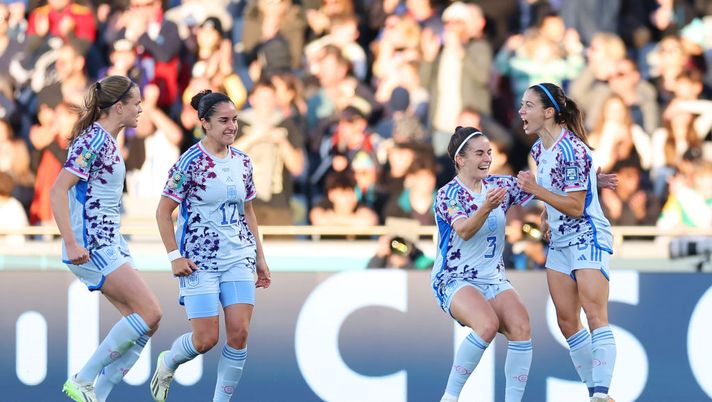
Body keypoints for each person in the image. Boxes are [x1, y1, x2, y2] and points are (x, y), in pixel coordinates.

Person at [153, 89, 271, 402]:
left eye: (234, 120)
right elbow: (163, 212)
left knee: (239, 334)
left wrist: (260, 257)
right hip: (199, 261)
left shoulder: (243, 162)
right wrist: (174, 257)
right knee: (206, 339)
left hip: (238, 258)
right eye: (224, 120)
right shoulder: (189, 162)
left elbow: (248, 211)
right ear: (205, 123)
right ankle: (168, 361)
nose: (232, 126)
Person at [50, 75, 162, 402]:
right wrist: (71, 242)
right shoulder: (93, 141)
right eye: (136, 103)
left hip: (110, 242)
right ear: (118, 107)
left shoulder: (108, 141)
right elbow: (58, 189)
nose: (141, 108)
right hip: (92, 245)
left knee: (144, 322)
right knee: (151, 313)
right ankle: (84, 380)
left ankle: (97, 394)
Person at [516, 82, 617, 402]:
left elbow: (575, 206)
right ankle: (596, 392)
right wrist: (546, 212)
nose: (521, 111)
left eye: (528, 105)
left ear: (549, 112)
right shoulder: (538, 149)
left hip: (587, 234)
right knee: (567, 320)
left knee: (594, 312)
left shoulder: (572, 149)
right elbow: (557, 186)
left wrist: (537, 192)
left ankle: (600, 394)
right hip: (559, 240)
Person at [432, 126, 534, 402]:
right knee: (486, 324)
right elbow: (463, 230)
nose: (487, 158)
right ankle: (450, 398)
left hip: (494, 278)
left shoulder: (499, 185)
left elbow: (540, 189)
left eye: (489, 152)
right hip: (454, 278)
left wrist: (590, 180)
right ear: (460, 160)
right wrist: (486, 208)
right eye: (479, 153)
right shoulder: (449, 195)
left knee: (521, 326)